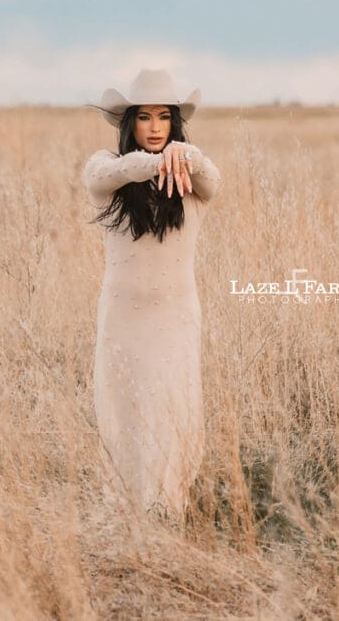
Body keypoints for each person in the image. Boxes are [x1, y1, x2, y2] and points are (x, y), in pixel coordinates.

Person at [82, 68, 222, 521]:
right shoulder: (111, 173)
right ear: (130, 124)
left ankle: (167, 518)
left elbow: (213, 181)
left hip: (174, 322)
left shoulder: (192, 178)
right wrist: (158, 162)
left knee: (170, 414)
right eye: (145, 117)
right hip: (122, 323)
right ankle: (125, 520)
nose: (156, 127)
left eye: (165, 117)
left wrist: (188, 156)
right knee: (123, 418)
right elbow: (102, 176)